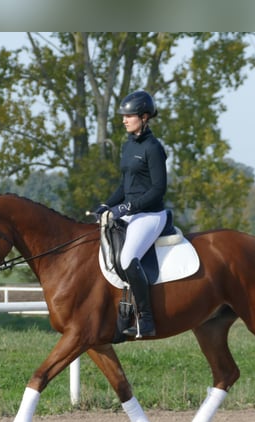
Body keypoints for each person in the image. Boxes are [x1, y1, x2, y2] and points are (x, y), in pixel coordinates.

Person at [95, 90, 168, 338]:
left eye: (129, 115)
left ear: (144, 117)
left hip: (150, 215)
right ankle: (121, 313)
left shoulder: (153, 148)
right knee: (107, 252)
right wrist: (107, 204)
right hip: (130, 213)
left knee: (127, 259)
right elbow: (125, 185)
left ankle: (146, 319)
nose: (124, 119)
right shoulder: (127, 146)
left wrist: (126, 207)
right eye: (123, 116)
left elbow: (159, 189)